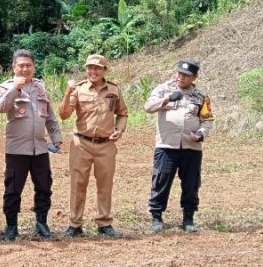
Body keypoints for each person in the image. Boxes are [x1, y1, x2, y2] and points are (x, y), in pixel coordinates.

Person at [58, 54, 128, 238]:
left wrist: (119, 130)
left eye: (97, 68)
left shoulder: (114, 90)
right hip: (81, 143)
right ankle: (75, 224)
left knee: (105, 184)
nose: (93, 71)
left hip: (106, 145)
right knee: (78, 183)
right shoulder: (79, 89)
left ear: (105, 70)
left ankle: (104, 223)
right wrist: (67, 92)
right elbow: (64, 115)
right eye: (90, 67)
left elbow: (122, 113)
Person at [0, 49, 63, 241]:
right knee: (13, 189)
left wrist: (56, 137)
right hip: (17, 149)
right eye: (21, 65)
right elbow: (0, 107)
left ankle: (41, 222)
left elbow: (49, 116)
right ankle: (11, 226)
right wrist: (15, 89)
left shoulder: (40, 88)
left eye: (28, 65)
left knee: (44, 186)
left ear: (34, 67)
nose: (25, 69)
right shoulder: (6, 86)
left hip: (40, 148)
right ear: (14, 67)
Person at [144, 58, 214, 233]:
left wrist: (201, 134)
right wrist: (167, 99)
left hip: (191, 147)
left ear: (194, 77)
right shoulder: (163, 89)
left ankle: (188, 218)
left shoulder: (201, 96)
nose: (181, 77)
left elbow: (207, 120)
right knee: (161, 180)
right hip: (166, 145)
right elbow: (148, 107)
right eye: (179, 73)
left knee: (191, 184)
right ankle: (157, 216)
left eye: (186, 75)